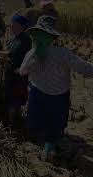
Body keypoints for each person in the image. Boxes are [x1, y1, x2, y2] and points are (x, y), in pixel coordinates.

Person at [19, 16, 93, 161]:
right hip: (58, 96)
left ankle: (36, 144)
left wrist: (34, 56)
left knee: (37, 120)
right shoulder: (63, 53)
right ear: (53, 37)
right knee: (54, 125)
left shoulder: (32, 54)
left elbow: (22, 71)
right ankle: (48, 148)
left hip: (38, 94)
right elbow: (84, 69)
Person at [0, 14, 32, 128]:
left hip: (18, 73)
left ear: (22, 26)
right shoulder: (14, 38)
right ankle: (10, 119)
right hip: (9, 71)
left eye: (14, 25)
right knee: (8, 95)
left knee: (15, 97)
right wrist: (1, 58)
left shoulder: (25, 39)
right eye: (11, 25)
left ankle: (12, 124)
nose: (11, 27)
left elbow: (10, 53)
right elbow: (8, 52)